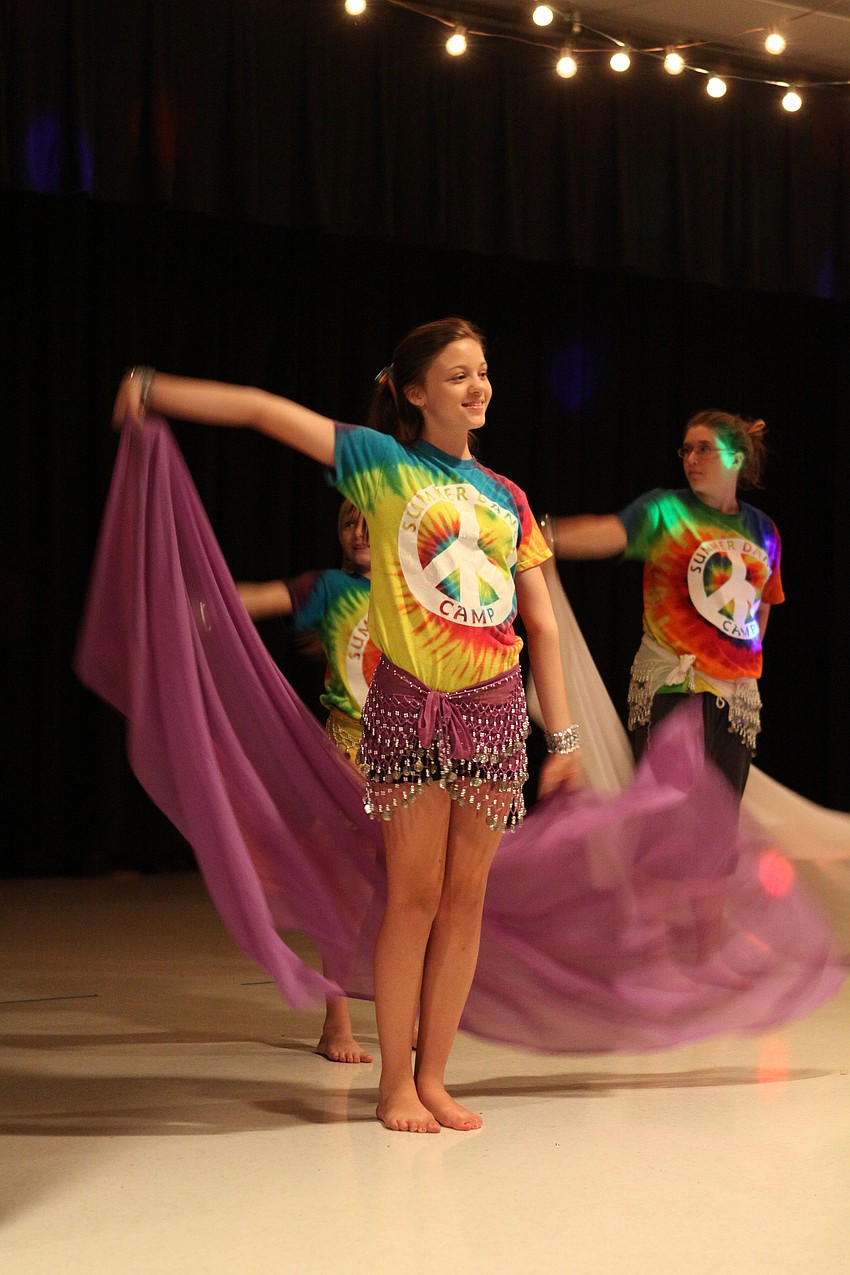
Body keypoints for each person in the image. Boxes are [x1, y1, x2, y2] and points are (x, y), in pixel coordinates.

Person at [113, 319, 582, 1134]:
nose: (477, 388)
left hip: (496, 711)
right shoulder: (380, 462)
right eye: (457, 375)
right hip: (407, 708)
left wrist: (566, 739)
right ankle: (393, 1082)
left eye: (483, 373)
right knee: (414, 896)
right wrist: (156, 390)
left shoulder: (509, 496)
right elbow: (263, 410)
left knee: (465, 901)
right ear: (413, 390)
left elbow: (539, 622)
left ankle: (434, 1076)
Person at [542, 410, 783, 978]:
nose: (691, 460)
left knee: (717, 830)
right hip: (672, 686)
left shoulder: (763, 529)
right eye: (685, 450)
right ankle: (647, 952)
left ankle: (707, 955)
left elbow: (763, 601)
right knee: (662, 826)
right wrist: (542, 534)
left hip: (737, 699)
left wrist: (745, 666)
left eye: (703, 449)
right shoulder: (665, 510)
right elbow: (609, 533)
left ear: (736, 459)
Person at [237, 499, 376, 1064]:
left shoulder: (424, 588)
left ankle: (407, 1012)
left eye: (371, 519)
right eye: (347, 521)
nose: (359, 530)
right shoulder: (329, 588)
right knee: (345, 894)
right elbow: (255, 598)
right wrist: (189, 596)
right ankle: (336, 1021)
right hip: (347, 754)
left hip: (414, 760)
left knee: (414, 894)